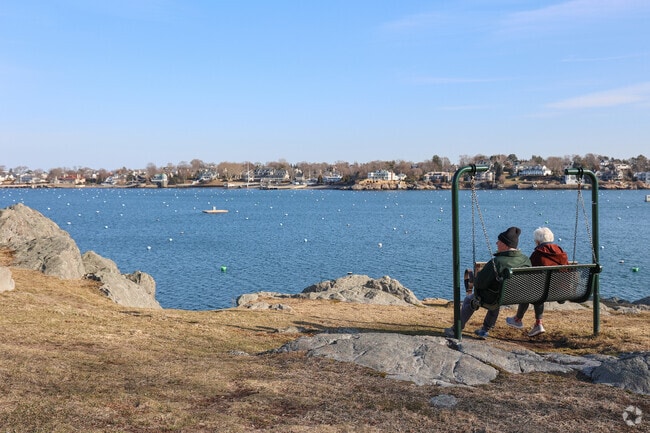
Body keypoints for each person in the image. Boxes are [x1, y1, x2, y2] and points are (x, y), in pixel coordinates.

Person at [445, 226, 532, 339]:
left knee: (469, 300)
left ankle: (456, 329)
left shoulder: (497, 262)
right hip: (517, 296)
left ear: (505, 244)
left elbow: (479, 283)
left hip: (495, 298)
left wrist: (475, 279)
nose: (496, 243)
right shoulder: (526, 260)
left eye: (499, 241)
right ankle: (485, 330)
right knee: (496, 295)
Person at [505, 227, 569, 337]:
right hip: (559, 291)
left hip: (542, 291)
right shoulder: (561, 252)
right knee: (538, 288)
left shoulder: (538, 254)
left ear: (537, 241)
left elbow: (529, 273)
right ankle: (537, 323)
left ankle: (518, 319)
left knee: (531, 289)